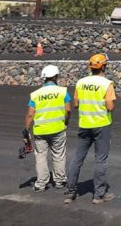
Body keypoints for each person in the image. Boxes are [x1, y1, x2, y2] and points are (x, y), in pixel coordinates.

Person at [64, 53, 116, 205]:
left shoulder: (81, 83)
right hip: (101, 125)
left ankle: (70, 192)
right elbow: (110, 106)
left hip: (84, 124)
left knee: (77, 158)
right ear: (104, 66)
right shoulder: (107, 84)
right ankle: (98, 195)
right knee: (100, 159)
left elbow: (75, 104)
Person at [25, 64, 71, 192]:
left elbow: (30, 114)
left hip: (40, 130)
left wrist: (26, 130)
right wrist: (65, 123)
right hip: (58, 129)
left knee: (41, 156)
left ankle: (41, 184)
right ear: (56, 77)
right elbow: (67, 110)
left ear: (44, 78)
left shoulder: (35, 94)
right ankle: (60, 180)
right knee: (59, 155)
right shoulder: (63, 91)